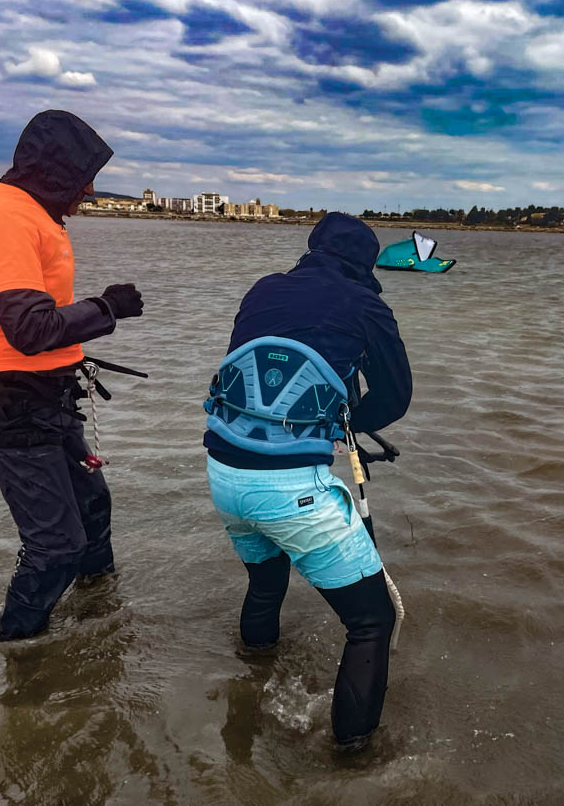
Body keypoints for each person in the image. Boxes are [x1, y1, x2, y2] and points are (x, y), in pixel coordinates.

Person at [202, 211, 411, 751]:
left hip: (223, 469)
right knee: (372, 622)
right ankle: (352, 761)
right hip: (290, 486)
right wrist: (346, 423)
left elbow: (256, 371)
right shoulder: (368, 305)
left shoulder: (264, 288)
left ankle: (251, 677)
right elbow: (394, 398)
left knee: (266, 585)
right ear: (367, 263)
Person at [0, 110, 144, 641]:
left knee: (91, 510)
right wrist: (106, 307)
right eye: (84, 175)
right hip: (11, 403)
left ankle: (101, 626)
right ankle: (20, 658)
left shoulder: (29, 212)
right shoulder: (7, 216)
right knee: (56, 547)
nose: (89, 188)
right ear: (53, 171)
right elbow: (28, 329)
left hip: (48, 396)